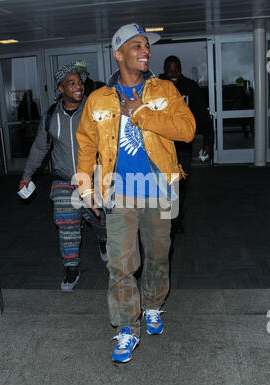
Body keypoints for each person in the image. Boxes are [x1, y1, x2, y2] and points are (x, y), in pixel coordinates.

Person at [75, 24, 195, 363]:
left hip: (159, 191)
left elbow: (187, 130)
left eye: (147, 46)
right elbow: (85, 143)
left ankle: (153, 306)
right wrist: (85, 185)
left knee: (158, 257)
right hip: (120, 195)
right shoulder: (98, 99)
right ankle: (127, 327)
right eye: (137, 45)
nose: (146, 51)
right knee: (121, 265)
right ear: (118, 54)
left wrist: (142, 113)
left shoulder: (164, 91)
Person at [19, 64, 107, 292]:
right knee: (67, 225)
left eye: (80, 82)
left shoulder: (94, 108)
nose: (79, 87)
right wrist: (27, 175)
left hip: (93, 179)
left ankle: (103, 239)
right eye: (72, 83)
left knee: (100, 219)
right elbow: (40, 147)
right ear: (61, 89)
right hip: (63, 179)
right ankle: (71, 269)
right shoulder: (51, 116)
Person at [160, 55, 214, 233]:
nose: (173, 73)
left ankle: (175, 218)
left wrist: (207, 141)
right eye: (170, 69)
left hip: (183, 146)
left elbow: (203, 116)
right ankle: (167, 218)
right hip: (161, 146)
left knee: (181, 184)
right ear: (164, 70)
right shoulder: (156, 86)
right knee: (164, 185)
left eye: (176, 69)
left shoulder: (190, 87)